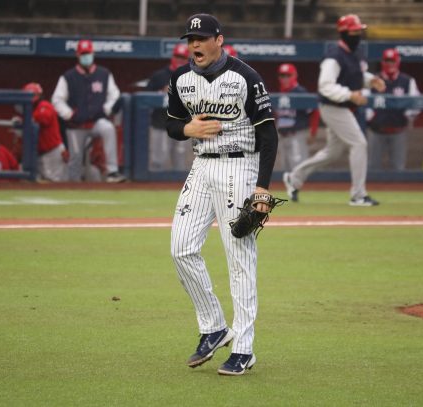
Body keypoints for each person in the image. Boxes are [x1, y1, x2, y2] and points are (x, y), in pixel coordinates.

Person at [166, 13, 278, 376]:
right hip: (201, 165)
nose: (194, 45)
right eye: (190, 39)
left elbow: (268, 135)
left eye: (201, 38)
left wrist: (261, 187)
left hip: (240, 165)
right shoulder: (181, 78)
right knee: (181, 247)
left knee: (239, 258)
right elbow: (170, 123)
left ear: (219, 40)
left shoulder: (246, 77)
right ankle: (213, 326)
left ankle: (244, 348)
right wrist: (187, 128)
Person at [283, 14, 385, 205]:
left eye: (359, 31)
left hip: (340, 107)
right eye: (354, 31)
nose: (358, 34)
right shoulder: (334, 56)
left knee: (332, 152)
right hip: (333, 107)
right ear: (344, 33)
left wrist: (371, 80)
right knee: (359, 144)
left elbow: (356, 75)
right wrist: (350, 95)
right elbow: (325, 86)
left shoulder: (354, 53)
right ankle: (358, 195)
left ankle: (294, 177)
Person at [51, 39, 126, 183]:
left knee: (108, 128)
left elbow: (114, 94)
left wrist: (106, 108)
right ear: (78, 55)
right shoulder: (68, 76)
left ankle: (112, 172)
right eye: (83, 54)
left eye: (88, 53)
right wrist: (69, 114)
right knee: (75, 158)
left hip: (96, 121)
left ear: (93, 54)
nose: (86, 56)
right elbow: (57, 100)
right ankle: (74, 184)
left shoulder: (104, 74)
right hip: (76, 125)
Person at [367, 48, 420, 171]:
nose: (390, 64)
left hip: (398, 131)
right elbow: (365, 101)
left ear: (398, 61)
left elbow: (416, 103)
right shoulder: (373, 80)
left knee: (398, 168)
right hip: (376, 131)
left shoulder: (407, 81)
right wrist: (370, 117)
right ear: (382, 62)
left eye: (392, 61)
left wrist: (408, 115)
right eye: (387, 61)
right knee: (373, 168)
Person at [146, 43, 190, 171]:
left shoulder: (194, 76)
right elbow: (145, 99)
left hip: (183, 125)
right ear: (173, 57)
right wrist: (161, 92)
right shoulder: (159, 76)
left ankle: (180, 189)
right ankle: (153, 188)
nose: (180, 60)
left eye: (183, 57)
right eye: (177, 56)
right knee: (158, 161)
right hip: (160, 123)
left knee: (181, 163)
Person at [22, 82, 70, 182]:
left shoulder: (45, 105)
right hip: (40, 154)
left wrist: (27, 120)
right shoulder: (30, 110)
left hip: (54, 152)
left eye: (33, 95)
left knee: (56, 183)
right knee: (41, 185)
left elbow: (44, 119)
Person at [274, 63, 312, 171]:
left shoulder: (300, 92)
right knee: (285, 168)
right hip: (282, 134)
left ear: (294, 75)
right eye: (282, 76)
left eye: (288, 75)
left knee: (299, 167)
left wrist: (313, 132)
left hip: (296, 134)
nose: (285, 79)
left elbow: (314, 111)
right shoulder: (279, 92)